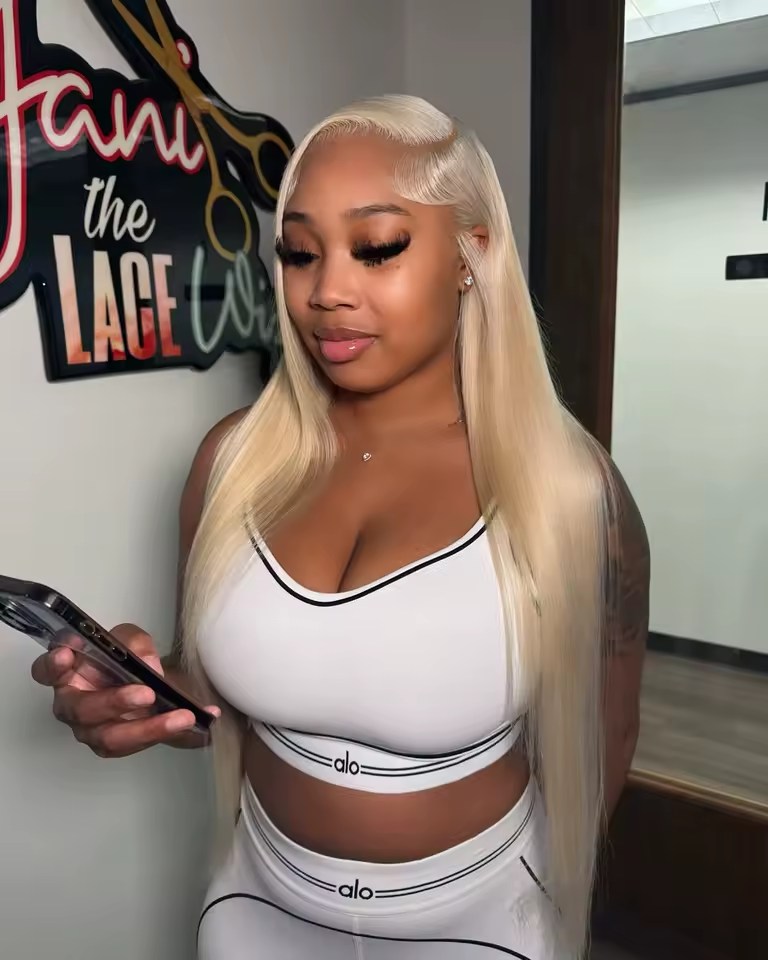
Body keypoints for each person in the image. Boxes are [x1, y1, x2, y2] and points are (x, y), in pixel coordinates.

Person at [32, 95, 649, 959]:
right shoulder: (231, 463)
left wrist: (552, 894)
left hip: (480, 923)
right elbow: (212, 699)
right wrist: (139, 693)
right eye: (299, 253)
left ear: (470, 255)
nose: (326, 291)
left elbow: (603, 735)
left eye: (378, 247)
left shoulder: (574, 493)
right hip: (256, 905)